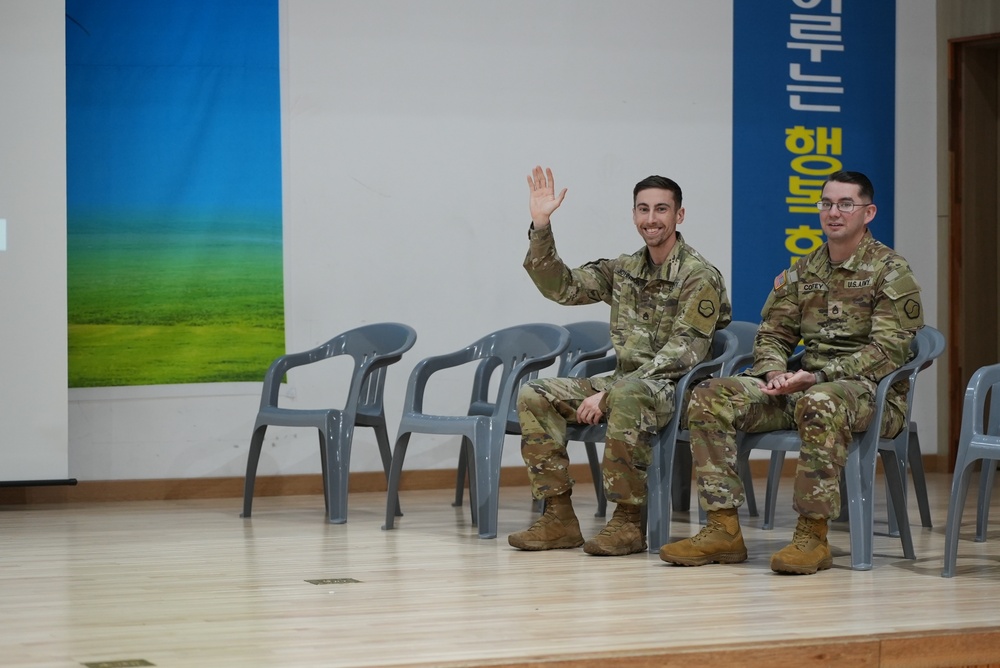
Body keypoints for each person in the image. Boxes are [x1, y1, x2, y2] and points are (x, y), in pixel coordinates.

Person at [658, 170, 924, 574]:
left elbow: (889, 350)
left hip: (870, 396)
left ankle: (813, 536)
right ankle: (722, 528)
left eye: (845, 204)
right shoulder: (805, 270)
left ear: (868, 212)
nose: (834, 212)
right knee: (710, 394)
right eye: (827, 203)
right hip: (803, 388)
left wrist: (818, 377)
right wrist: (774, 373)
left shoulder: (890, 270)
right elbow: (773, 334)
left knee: (821, 400)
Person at [508, 166, 731, 556]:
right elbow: (562, 287)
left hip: (673, 390)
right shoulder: (624, 269)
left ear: (679, 216)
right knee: (535, 393)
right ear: (633, 215)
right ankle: (558, 516)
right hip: (625, 382)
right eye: (642, 209)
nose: (651, 219)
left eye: (661, 209)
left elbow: (683, 353)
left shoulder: (700, 276)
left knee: (627, 393)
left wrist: (609, 393)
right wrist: (541, 226)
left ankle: (628, 522)